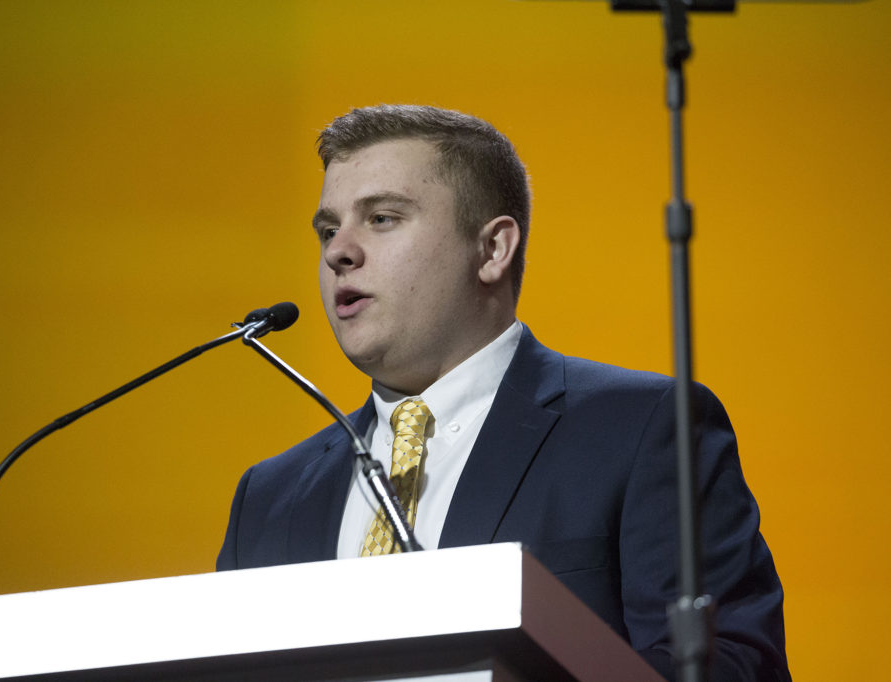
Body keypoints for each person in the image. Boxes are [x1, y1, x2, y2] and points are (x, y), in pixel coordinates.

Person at [217, 104, 789, 680]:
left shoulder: (643, 431)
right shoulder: (269, 499)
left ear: (492, 249)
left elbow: (732, 666)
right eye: (327, 228)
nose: (339, 250)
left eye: (383, 218)